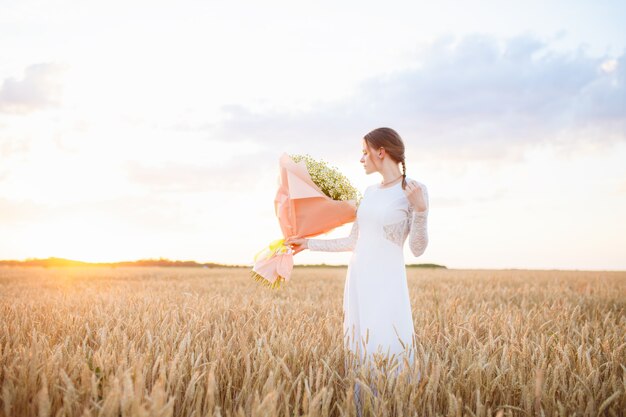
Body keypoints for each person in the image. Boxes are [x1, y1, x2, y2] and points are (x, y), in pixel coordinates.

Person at [285, 127, 429, 401]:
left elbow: (418, 249)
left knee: (386, 341)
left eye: (364, 152)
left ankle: (394, 403)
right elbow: (354, 241)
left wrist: (421, 210)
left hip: (387, 282)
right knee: (361, 347)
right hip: (360, 278)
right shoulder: (369, 191)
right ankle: (364, 406)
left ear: (381, 152)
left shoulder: (415, 191)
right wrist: (308, 243)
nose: (361, 159)